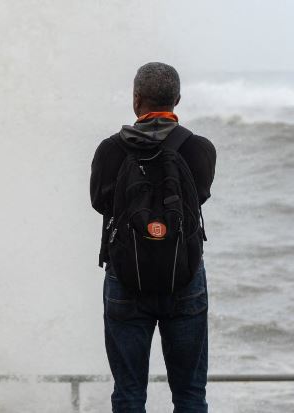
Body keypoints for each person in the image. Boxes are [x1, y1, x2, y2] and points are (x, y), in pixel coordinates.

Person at [90, 62, 217, 413]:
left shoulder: (111, 149)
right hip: (185, 276)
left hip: (125, 278)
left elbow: (100, 203)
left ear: (136, 99)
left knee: (129, 393)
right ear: (177, 99)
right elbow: (200, 196)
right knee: (190, 394)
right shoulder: (199, 149)